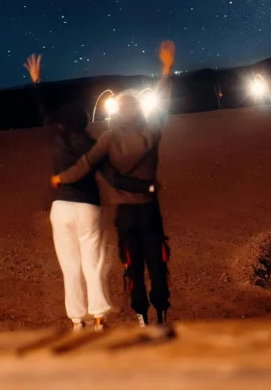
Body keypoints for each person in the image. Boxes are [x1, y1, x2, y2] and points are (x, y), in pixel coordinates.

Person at [51, 41, 175, 327]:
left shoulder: (108, 137)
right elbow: (164, 100)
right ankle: (162, 312)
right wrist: (166, 69)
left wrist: (62, 178)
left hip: (125, 213)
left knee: (132, 263)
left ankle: (141, 315)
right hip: (149, 209)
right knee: (157, 262)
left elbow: (86, 163)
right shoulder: (151, 131)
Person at [24, 53, 111, 333]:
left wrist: (37, 83)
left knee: (70, 267)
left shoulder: (57, 137)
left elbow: (43, 114)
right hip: (88, 207)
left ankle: (77, 320)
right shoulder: (93, 144)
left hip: (61, 208)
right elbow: (108, 171)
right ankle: (98, 317)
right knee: (93, 264)